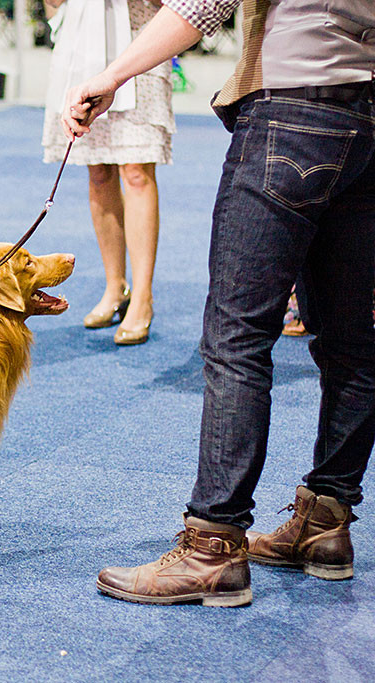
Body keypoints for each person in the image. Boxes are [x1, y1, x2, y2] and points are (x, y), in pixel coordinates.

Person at [62, 0, 374, 606]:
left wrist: (111, 75)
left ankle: (212, 547)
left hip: (290, 116)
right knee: (353, 342)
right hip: (367, 123)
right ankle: (326, 523)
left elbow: (203, 5)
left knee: (237, 339)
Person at [43, 0, 174, 345]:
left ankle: (143, 296)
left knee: (136, 170)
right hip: (80, 43)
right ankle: (115, 284)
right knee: (98, 170)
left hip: (142, 37)